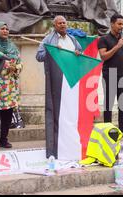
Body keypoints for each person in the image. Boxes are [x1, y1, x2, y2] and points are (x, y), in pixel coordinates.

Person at [36, 15, 82, 158]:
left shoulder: (72, 39)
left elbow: (80, 54)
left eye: (64, 23)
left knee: (71, 113)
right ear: (54, 25)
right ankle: (55, 149)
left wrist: (78, 53)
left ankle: (71, 145)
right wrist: (51, 50)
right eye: (60, 23)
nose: (63, 25)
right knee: (56, 113)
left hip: (71, 83)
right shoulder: (48, 40)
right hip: (56, 82)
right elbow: (39, 56)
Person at [98, 14, 123, 139]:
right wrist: (117, 46)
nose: (121, 26)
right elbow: (104, 56)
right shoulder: (104, 39)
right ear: (112, 24)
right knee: (109, 104)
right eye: (119, 24)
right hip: (109, 73)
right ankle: (107, 130)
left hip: (122, 74)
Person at [0, 22, 23, 150]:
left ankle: (4, 140)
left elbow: (19, 62)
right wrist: (4, 63)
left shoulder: (12, 46)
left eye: (7, 29)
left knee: (7, 114)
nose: (5, 31)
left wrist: (15, 67)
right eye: (2, 28)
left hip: (10, 86)